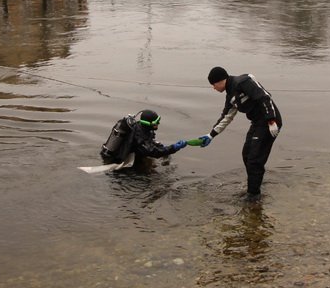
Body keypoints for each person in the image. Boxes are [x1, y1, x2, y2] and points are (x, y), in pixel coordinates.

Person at [199, 67, 282, 200]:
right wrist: (211, 135)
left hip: (269, 122)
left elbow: (264, 97)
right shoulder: (230, 96)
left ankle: (254, 196)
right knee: (247, 154)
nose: (213, 88)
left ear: (220, 81)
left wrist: (271, 121)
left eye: (213, 85)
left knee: (254, 159)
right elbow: (226, 117)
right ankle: (254, 184)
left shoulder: (243, 82)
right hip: (256, 123)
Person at [100, 109, 188, 166]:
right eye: (156, 122)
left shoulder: (142, 128)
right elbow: (152, 152)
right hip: (117, 161)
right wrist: (174, 148)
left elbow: (150, 143)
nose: (158, 124)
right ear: (149, 123)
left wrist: (163, 148)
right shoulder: (138, 136)